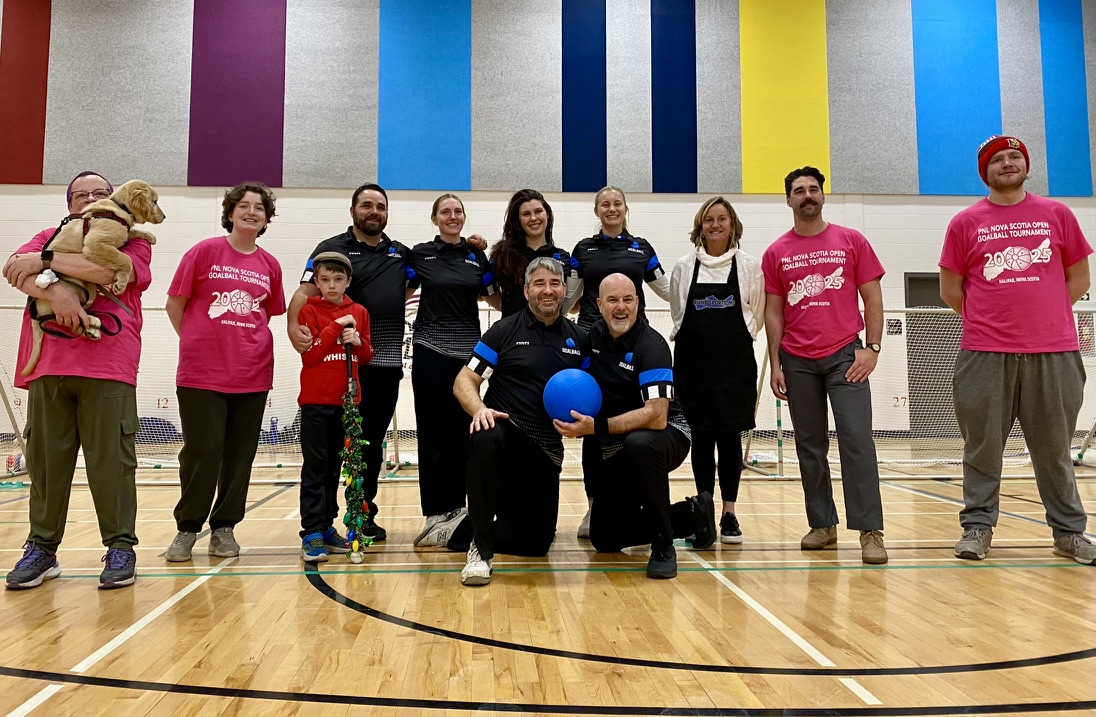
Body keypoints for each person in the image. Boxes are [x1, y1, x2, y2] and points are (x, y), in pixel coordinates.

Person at [287, 184, 488, 542]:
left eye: (380, 206)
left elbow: (439, 269)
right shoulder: (330, 250)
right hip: (339, 366)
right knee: (332, 450)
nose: (374, 211)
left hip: (383, 364)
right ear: (353, 211)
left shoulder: (401, 254)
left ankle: (361, 517)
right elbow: (304, 293)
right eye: (367, 205)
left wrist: (469, 245)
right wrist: (292, 326)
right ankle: (319, 524)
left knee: (371, 447)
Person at [940, 135, 1095, 565]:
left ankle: (1069, 533)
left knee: (1054, 450)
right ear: (985, 172)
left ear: (1026, 165)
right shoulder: (965, 223)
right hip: (984, 354)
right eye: (997, 160)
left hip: (1055, 352)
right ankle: (977, 527)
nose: (1007, 164)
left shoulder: (1057, 214)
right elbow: (951, 289)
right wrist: (991, 321)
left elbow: (1078, 279)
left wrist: (1043, 316)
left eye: (1015, 157)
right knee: (982, 448)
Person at [4, 171, 150, 590]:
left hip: (108, 366)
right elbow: (13, 268)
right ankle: (42, 549)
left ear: (113, 201)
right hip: (48, 365)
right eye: (80, 194)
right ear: (69, 204)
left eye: (99, 193)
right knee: (47, 467)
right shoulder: (50, 233)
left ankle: (121, 546)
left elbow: (107, 272)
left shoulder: (132, 239)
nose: (89, 199)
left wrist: (46, 263)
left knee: (112, 465)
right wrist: (58, 294)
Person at [761, 166, 888, 565]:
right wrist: (777, 362)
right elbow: (774, 313)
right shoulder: (776, 252)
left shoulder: (851, 240)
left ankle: (870, 531)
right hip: (798, 361)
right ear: (788, 200)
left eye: (813, 189)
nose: (807, 196)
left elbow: (872, 297)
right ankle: (822, 524)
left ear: (822, 196)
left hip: (845, 357)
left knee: (856, 441)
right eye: (799, 191)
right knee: (809, 446)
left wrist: (872, 347)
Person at [555, 273, 713, 580]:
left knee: (640, 443)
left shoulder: (651, 346)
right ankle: (692, 515)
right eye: (612, 300)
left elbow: (657, 416)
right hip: (618, 441)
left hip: (667, 435)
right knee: (605, 539)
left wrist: (596, 427)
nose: (621, 307)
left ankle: (664, 544)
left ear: (638, 303)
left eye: (628, 299)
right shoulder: (594, 337)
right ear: (599, 305)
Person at [165, 182, 286, 562]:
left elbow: (267, 314)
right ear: (230, 212)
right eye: (244, 206)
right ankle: (187, 529)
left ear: (267, 218)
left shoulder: (269, 265)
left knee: (239, 454)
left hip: (252, 373)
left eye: (259, 208)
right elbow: (175, 304)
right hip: (201, 373)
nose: (252, 212)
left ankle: (224, 528)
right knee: (203, 451)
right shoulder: (204, 252)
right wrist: (199, 342)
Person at [452, 257, 588, 586]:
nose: (548, 290)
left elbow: (589, 393)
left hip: (543, 451)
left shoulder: (578, 339)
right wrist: (480, 409)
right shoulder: (504, 330)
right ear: (527, 290)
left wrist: (585, 423)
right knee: (486, 434)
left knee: (537, 544)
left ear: (564, 290)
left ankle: (469, 528)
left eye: (554, 283)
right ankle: (479, 550)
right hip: (506, 436)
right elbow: (463, 381)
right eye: (539, 284)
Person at [564, 186, 672, 537]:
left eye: (617, 204)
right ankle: (594, 507)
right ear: (597, 211)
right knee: (591, 424)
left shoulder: (642, 248)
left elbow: (668, 290)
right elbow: (568, 296)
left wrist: (694, 310)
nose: (611, 209)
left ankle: (641, 505)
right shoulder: (583, 249)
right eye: (604, 204)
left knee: (633, 426)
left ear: (626, 209)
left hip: (630, 347)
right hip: (592, 346)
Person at [406, 194, 499, 547]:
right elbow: (399, 287)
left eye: (458, 211)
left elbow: (495, 296)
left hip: (468, 359)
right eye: (445, 212)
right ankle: (436, 514)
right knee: (432, 435)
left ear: (464, 218)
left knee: (466, 433)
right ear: (434, 218)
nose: (452, 216)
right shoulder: (418, 254)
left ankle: (462, 512)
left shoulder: (477, 256)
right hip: (430, 351)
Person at [670, 197, 765, 544]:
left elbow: (756, 310)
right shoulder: (684, 265)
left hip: (734, 366)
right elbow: (679, 312)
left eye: (722, 219)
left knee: (728, 440)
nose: (715, 225)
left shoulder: (749, 266)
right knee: (701, 438)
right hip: (693, 366)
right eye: (709, 219)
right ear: (701, 225)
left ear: (732, 224)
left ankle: (729, 513)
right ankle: (704, 510)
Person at [296, 251, 373, 562]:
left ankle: (327, 526)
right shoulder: (309, 311)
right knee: (315, 468)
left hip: (348, 405)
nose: (331, 285)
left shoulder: (360, 311)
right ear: (316, 281)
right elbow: (311, 354)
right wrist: (337, 326)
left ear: (348, 281)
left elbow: (366, 355)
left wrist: (357, 342)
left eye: (338, 279)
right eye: (325, 280)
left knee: (334, 470)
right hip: (316, 402)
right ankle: (311, 531)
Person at [489, 189, 576, 317]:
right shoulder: (503, 255)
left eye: (538, 211)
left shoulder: (564, 258)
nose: (533, 218)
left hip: (550, 333)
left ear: (547, 214)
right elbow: (489, 294)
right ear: (517, 220)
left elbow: (570, 303)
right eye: (526, 214)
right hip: (513, 332)